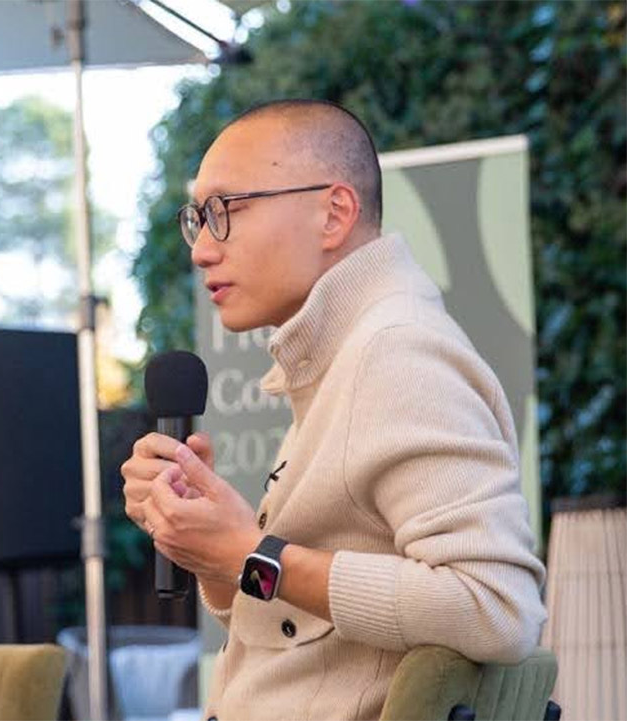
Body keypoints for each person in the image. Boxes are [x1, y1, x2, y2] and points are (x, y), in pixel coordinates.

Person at [121, 100, 546, 720]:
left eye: (224, 213)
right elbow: (301, 634)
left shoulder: (395, 353)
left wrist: (252, 554)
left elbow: (496, 607)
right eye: (197, 220)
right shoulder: (348, 353)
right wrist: (216, 550)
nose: (201, 251)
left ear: (334, 212)